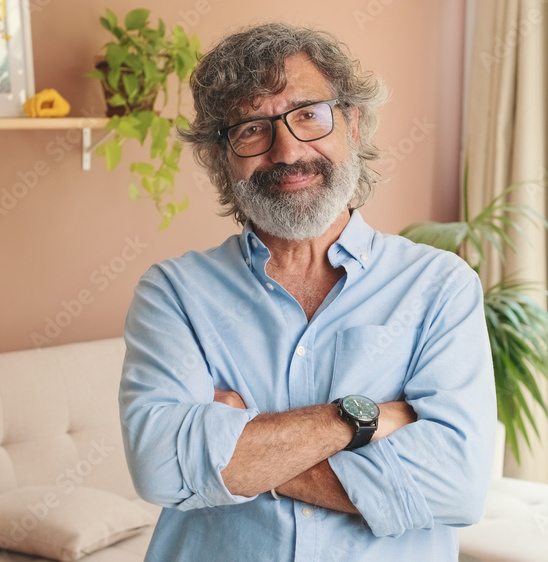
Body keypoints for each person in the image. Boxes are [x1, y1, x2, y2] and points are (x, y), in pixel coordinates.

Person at [119, 22, 496, 561]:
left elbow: (456, 482)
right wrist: (356, 419)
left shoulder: (440, 286)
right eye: (252, 128)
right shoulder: (174, 294)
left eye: (309, 115)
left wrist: (243, 450)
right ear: (222, 157)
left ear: (353, 125)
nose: (288, 151)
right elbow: (160, 467)